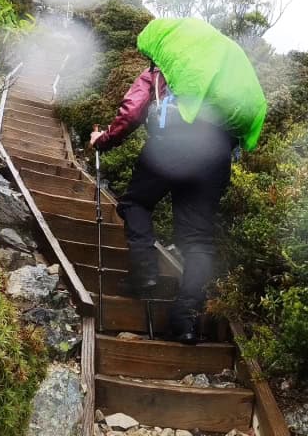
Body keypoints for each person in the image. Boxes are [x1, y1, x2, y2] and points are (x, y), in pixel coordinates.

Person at [90, 63, 234, 345]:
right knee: (198, 240)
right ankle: (186, 319)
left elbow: (132, 112)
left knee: (136, 203)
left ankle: (144, 274)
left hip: (171, 145)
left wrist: (103, 140)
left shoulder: (164, 66)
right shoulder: (220, 74)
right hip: (215, 155)